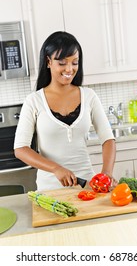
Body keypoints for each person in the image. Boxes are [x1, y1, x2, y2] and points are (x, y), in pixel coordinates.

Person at [14, 31, 116, 191]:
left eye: (75, 62)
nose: (69, 69)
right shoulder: (34, 101)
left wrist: (107, 174)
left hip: (88, 185)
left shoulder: (89, 96)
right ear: (48, 62)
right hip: (50, 189)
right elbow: (21, 149)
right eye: (62, 63)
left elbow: (108, 139)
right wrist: (56, 169)